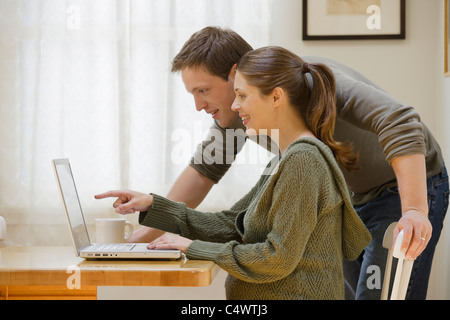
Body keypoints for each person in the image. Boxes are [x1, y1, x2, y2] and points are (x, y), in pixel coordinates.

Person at [112, 27, 448, 300]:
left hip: (399, 188)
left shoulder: (305, 88)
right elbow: (203, 176)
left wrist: (415, 209)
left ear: (236, 76)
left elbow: (400, 120)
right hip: (351, 197)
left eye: (203, 90)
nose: (199, 105)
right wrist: (139, 239)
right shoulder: (241, 123)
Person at [95, 46, 372, 300]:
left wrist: (192, 247)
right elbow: (231, 224)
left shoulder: (303, 161)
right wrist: (154, 204)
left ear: (276, 97)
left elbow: (277, 257)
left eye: (242, 96)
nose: (236, 106)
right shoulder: (284, 159)